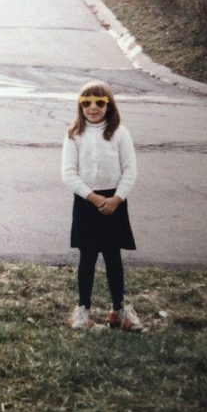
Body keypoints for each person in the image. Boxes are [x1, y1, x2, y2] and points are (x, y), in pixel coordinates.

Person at [61, 80, 142, 331]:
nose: (92, 107)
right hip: (87, 202)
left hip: (114, 203)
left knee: (112, 256)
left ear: (109, 105)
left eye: (99, 102)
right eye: (86, 103)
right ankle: (83, 309)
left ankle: (119, 310)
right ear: (80, 106)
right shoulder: (74, 134)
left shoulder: (119, 133)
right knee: (87, 257)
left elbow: (130, 169)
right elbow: (68, 173)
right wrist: (94, 198)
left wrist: (117, 198)